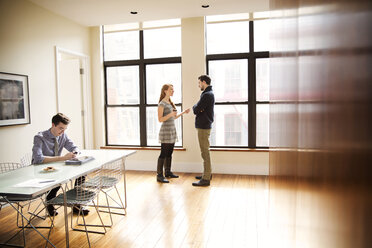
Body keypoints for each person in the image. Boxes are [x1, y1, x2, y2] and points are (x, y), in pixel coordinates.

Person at [32, 113, 89, 216]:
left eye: (65, 129)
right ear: (53, 125)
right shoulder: (39, 137)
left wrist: (75, 153)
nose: (62, 132)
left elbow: (74, 147)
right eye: (60, 128)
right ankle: (50, 202)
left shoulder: (63, 135)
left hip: (56, 167)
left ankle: (76, 204)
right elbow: (38, 159)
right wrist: (63, 158)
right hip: (40, 170)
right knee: (61, 178)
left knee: (81, 173)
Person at [157, 84, 190, 183]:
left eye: (173, 89)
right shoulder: (162, 104)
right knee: (163, 153)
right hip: (166, 131)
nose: (173, 91)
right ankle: (159, 175)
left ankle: (167, 172)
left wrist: (183, 112)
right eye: (171, 89)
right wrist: (170, 114)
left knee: (170, 153)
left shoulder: (170, 103)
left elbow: (173, 117)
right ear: (165, 91)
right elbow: (160, 119)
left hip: (172, 130)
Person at [192, 75, 215, 187]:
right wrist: (197, 107)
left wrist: (195, 107)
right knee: (205, 151)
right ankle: (207, 174)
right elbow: (198, 108)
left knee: (204, 152)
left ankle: (206, 178)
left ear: (204, 82)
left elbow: (196, 109)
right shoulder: (207, 94)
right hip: (205, 125)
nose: (198, 85)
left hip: (203, 126)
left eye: (199, 83)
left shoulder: (207, 95)